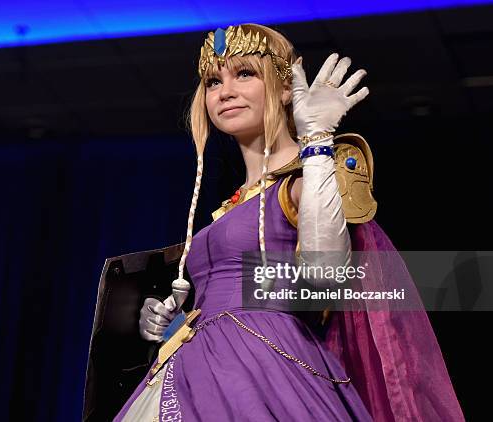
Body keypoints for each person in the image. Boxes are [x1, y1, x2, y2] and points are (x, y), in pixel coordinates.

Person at [113, 23, 464, 421]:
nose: (224, 91)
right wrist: (173, 318)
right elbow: (233, 299)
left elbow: (326, 278)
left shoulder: (305, 180)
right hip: (195, 367)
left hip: (264, 372)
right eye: (213, 81)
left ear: (285, 88)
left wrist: (316, 141)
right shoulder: (231, 206)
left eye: (244, 74)